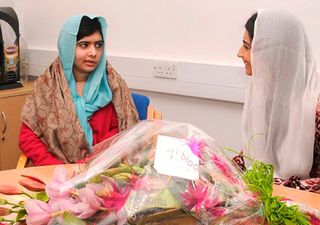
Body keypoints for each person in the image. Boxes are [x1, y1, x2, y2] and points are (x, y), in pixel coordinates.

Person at [19, 15, 139, 166]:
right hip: (56, 174)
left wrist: (88, 165)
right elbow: (28, 137)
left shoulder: (113, 85)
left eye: (98, 45)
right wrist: (56, 169)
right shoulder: (46, 87)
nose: (93, 53)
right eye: (84, 45)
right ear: (68, 46)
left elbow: (121, 134)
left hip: (103, 170)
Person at [237, 9, 320, 191]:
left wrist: (271, 185)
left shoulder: (315, 109)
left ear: (270, 53)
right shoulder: (268, 97)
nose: (239, 53)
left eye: (247, 46)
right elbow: (251, 157)